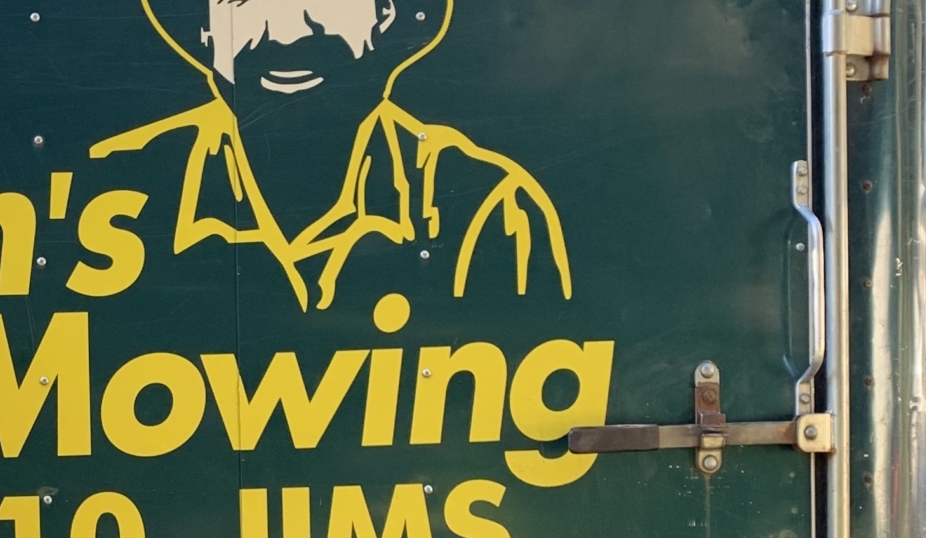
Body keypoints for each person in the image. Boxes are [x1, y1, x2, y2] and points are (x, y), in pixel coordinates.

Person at [90, 0, 572, 311]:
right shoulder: (119, 189)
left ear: (388, 16)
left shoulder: (489, 207)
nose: (286, 31)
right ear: (204, 31)